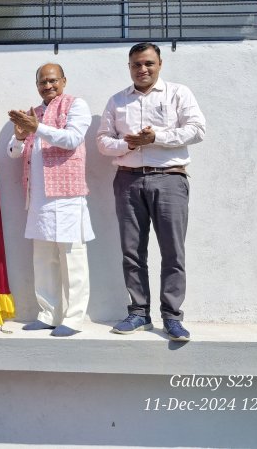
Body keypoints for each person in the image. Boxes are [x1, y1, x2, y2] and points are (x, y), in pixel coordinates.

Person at [96, 42, 205, 342]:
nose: (142, 69)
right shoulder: (117, 101)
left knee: (172, 251)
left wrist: (157, 137)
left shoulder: (178, 94)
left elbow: (197, 129)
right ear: (129, 67)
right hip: (128, 180)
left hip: (169, 178)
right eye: (136, 65)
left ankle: (172, 317)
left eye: (148, 64)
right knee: (132, 251)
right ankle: (139, 313)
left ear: (159, 64)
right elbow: (103, 141)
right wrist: (129, 144)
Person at [8, 63, 94, 337]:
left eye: (53, 81)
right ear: (37, 86)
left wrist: (38, 127)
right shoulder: (35, 113)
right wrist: (21, 135)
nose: (48, 86)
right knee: (43, 258)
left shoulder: (76, 105)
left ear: (64, 81)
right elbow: (13, 152)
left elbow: (72, 138)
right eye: (43, 82)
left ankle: (74, 317)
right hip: (39, 197)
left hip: (67, 194)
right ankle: (48, 314)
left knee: (73, 258)